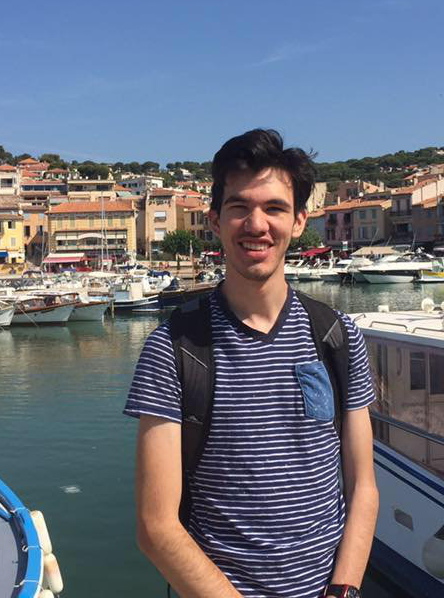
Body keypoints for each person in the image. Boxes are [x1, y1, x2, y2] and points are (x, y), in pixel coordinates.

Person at [124, 129, 378, 598]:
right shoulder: (173, 348)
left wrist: (343, 590)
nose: (256, 224)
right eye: (239, 207)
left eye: (274, 208)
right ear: (216, 220)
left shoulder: (337, 337)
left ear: (299, 221)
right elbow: (155, 526)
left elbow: (362, 485)